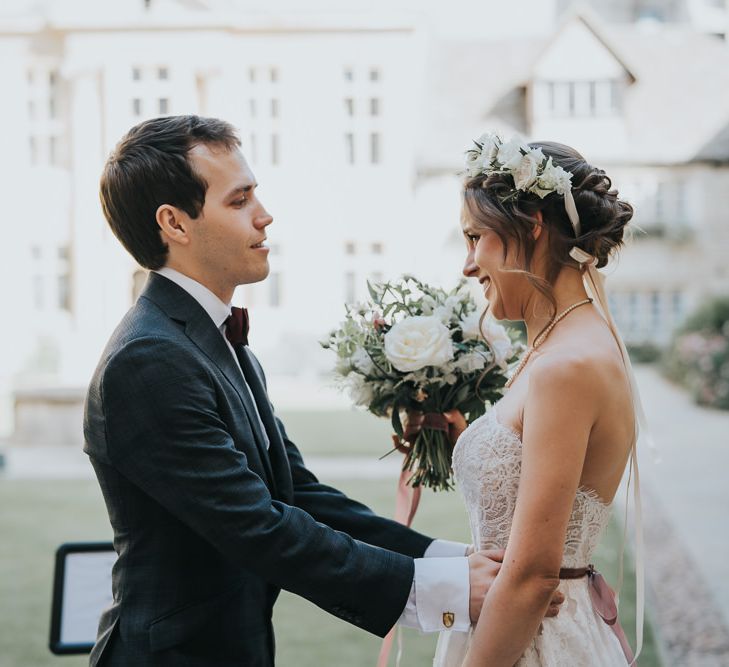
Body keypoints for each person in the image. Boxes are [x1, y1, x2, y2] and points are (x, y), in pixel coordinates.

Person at [83, 116, 562, 667]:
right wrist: (448, 590)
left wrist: (452, 562)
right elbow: (260, 528)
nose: (265, 215)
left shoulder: (215, 341)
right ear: (175, 223)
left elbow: (298, 496)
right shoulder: (148, 360)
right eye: (239, 201)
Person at [432, 135, 644, 666]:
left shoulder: (566, 366)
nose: (467, 264)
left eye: (475, 237)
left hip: (538, 640)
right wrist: (465, 438)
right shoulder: (558, 345)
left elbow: (531, 577)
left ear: (531, 225)